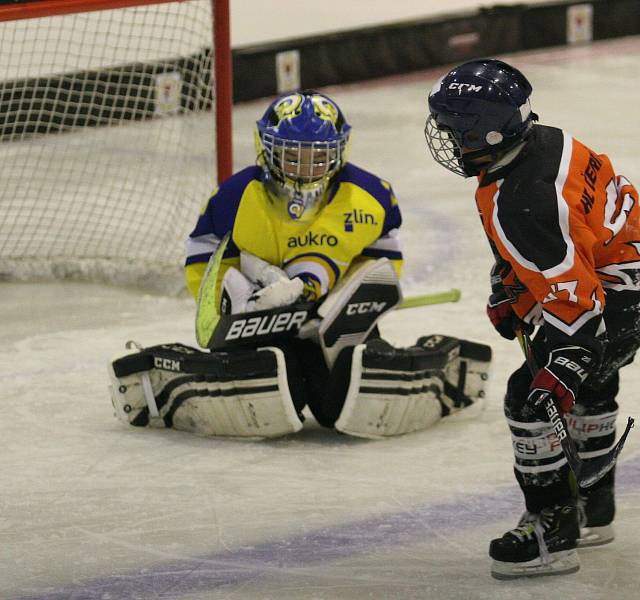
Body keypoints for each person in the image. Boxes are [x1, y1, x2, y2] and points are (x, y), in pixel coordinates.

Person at [107, 90, 492, 440]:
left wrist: (340, 304)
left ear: (340, 150)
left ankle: (441, 369)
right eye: (292, 155)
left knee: (349, 397)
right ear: (268, 147)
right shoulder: (237, 195)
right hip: (261, 326)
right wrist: (245, 301)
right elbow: (204, 262)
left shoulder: (371, 194)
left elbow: (381, 264)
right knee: (269, 382)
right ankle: (170, 381)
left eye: (319, 156)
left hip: (333, 326)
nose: (306, 167)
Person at [425, 60, 640, 579]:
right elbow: (563, 239)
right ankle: (593, 507)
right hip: (630, 272)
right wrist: (513, 284)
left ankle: (551, 528)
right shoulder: (542, 142)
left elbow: (579, 310)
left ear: (487, 130)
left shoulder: (524, 201)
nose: (446, 136)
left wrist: (562, 367)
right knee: (594, 383)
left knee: (531, 398)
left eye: (455, 127)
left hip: (612, 293)